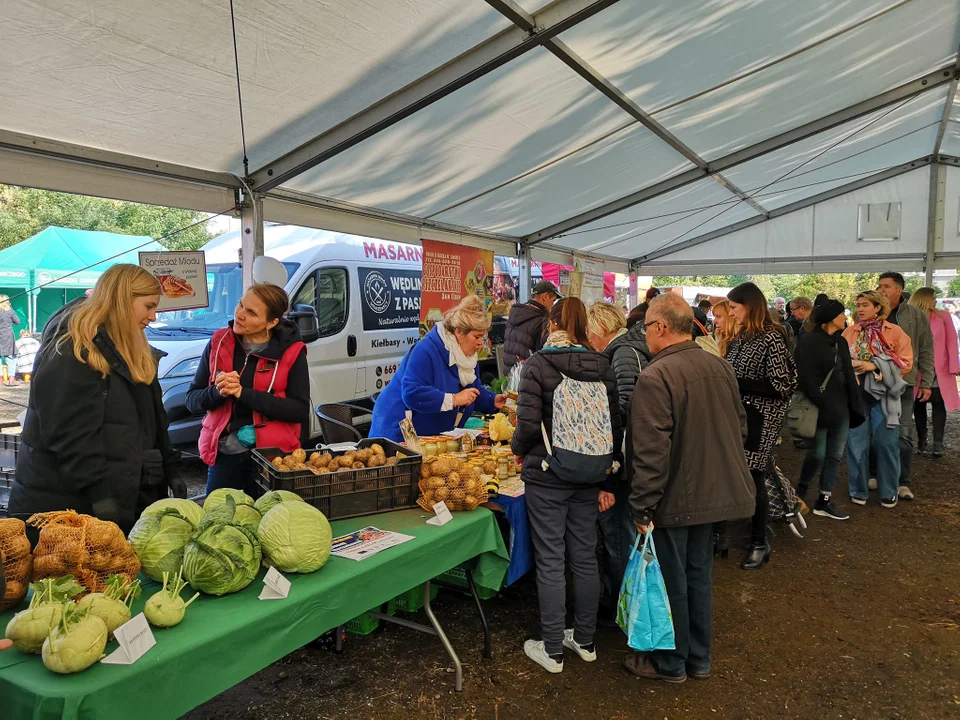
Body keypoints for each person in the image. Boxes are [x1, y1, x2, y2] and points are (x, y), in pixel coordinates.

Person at [623, 294, 755, 684]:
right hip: (712, 492)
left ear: (661, 327)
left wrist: (642, 506)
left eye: (646, 326)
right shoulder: (718, 365)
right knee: (698, 575)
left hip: (675, 496)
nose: (643, 334)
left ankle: (671, 662)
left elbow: (650, 451)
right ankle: (698, 658)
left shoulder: (655, 376)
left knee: (672, 580)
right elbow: (740, 427)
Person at [9, 265, 183, 536]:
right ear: (123, 300)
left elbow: (153, 417)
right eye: (148, 306)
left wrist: (171, 466)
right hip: (66, 506)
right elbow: (67, 432)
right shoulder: (72, 348)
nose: (153, 316)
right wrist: (101, 493)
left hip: (117, 495)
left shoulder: (130, 345)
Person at [511, 297, 622, 674]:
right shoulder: (604, 365)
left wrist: (517, 451)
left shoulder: (539, 364)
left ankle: (553, 649)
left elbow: (526, 424)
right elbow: (615, 424)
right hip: (590, 472)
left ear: (553, 324)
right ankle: (586, 641)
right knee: (585, 557)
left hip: (548, 474)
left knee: (551, 560)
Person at [186, 283, 310, 496]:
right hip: (224, 455)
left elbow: (298, 410)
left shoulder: (293, 352)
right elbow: (192, 400)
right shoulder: (219, 342)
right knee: (219, 522)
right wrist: (218, 391)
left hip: (272, 459)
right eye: (241, 305)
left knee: (268, 523)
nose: (240, 315)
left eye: (251, 313)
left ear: (271, 322)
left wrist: (244, 393)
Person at [725, 282, 797, 570]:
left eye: (733, 307)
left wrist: (736, 383)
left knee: (754, 475)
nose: (730, 313)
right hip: (739, 415)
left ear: (749, 306)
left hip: (761, 418)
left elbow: (785, 385)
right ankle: (730, 534)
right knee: (738, 472)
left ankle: (759, 542)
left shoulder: (772, 339)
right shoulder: (741, 338)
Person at [371, 296, 505, 442]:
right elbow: (412, 393)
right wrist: (454, 399)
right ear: (459, 332)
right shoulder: (425, 350)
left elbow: (472, 391)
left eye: (483, 337)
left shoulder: (467, 358)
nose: (481, 343)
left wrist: (492, 400)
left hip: (433, 437)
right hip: (398, 434)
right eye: (477, 337)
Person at [587, 301, 647, 623]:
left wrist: (609, 468)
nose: (589, 338)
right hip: (630, 459)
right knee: (621, 534)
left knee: (618, 537)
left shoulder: (621, 353)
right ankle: (622, 604)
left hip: (622, 461)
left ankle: (619, 609)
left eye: (590, 332)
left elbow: (622, 410)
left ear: (600, 329)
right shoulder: (629, 348)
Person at [794, 300, 865, 519]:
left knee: (834, 455)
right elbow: (805, 379)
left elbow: (847, 376)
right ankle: (798, 495)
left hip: (842, 408)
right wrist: (825, 404)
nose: (846, 317)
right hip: (821, 409)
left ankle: (824, 499)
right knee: (818, 454)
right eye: (842, 313)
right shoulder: (809, 341)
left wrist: (854, 404)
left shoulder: (840, 342)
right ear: (830, 318)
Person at [842, 291, 912, 508]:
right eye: (858, 305)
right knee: (856, 443)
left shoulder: (895, 332)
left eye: (865, 305)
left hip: (885, 393)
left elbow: (906, 362)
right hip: (856, 392)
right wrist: (852, 365)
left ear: (878, 307)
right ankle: (858, 490)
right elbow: (839, 359)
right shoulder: (850, 332)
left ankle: (889, 490)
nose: (860, 309)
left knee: (887, 443)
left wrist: (875, 365)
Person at [876, 272, 933, 500]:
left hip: (905, 383)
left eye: (886, 286)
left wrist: (926, 382)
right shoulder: (871, 313)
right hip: (875, 383)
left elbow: (926, 349)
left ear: (899, 290)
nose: (881, 290)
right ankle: (874, 473)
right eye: (879, 286)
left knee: (903, 433)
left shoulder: (916, 316)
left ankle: (902, 481)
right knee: (876, 430)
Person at [909, 288, 960, 458]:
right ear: (923, 299)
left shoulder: (943, 316)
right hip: (917, 368)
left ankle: (938, 442)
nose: (936, 300)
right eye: (933, 297)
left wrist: (954, 365)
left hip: (940, 368)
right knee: (919, 405)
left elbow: (952, 341)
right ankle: (922, 440)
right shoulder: (911, 317)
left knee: (938, 403)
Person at [503, 280, 561, 371]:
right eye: (553, 300)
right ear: (545, 296)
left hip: (509, 371)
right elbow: (544, 353)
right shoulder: (541, 320)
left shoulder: (516, 313)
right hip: (527, 375)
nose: (553, 305)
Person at [0, 295, 20, 386]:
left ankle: (0, 379)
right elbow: (17, 322)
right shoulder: (10, 311)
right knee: (11, 357)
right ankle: (11, 378)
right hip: (8, 336)